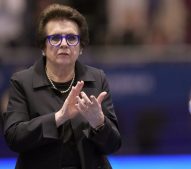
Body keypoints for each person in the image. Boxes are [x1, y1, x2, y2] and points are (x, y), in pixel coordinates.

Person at [2, 4, 121, 169]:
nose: (64, 44)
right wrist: (59, 117)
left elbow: (113, 145)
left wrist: (100, 123)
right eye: (55, 38)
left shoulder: (97, 79)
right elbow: (14, 138)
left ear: (81, 48)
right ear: (43, 47)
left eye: (72, 38)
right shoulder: (22, 81)